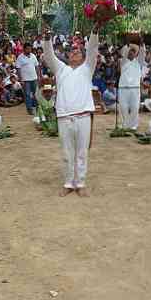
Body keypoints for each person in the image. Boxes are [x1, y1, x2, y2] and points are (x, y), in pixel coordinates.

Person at [42, 23, 101, 197]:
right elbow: (49, 55)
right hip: (64, 117)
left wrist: (95, 31)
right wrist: (47, 39)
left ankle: (81, 183)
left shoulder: (87, 68)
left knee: (82, 152)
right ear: (67, 56)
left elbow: (92, 50)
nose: (75, 52)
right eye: (72, 51)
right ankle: (68, 183)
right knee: (67, 154)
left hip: (83, 116)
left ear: (83, 57)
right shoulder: (61, 69)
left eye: (78, 52)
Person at [118, 42, 146, 131]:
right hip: (123, 88)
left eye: (133, 51)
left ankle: (134, 125)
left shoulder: (139, 62)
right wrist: (128, 43)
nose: (131, 53)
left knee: (135, 107)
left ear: (135, 54)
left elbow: (142, 54)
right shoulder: (123, 62)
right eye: (130, 51)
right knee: (123, 107)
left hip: (135, 88)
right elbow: (124, 52)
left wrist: (141, 44)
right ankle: (125, 124)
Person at [16, 42, 41, 115]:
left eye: (30, 48)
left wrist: (38, 76)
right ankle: (29, 109)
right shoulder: (20, 57)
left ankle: (38, 108)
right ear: (24, 49)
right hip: (25, 79)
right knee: (27, 94)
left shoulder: (33, 55)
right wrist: (21, 79)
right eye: (27, 49)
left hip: (34, 78)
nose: (29, 50)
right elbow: (18, 69)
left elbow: (36, 66)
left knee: (36, 93)